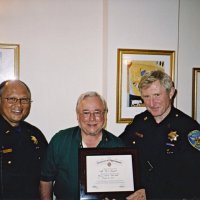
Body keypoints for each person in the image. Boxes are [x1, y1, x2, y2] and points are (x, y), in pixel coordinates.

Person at [40, 91, 145, 200]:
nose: (92, 118)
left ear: (104, 115)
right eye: (86, 112)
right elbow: (46, 180)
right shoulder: (60, 141)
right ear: (77, 115)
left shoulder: (119, 146)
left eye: (97, 112)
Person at [119, 70, 200, 199]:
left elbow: (194, 179)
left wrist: (151, 193)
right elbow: (118, 149)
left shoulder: (188, 128)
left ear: (171, 92)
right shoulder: (139, 121)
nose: (152, 103)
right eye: (146, 97)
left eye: (157, 95)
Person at [0, 80, 48, 200]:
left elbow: (47, 174)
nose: (18, 105)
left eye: (24, 100)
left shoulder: (35, 134)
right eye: (11, 99)